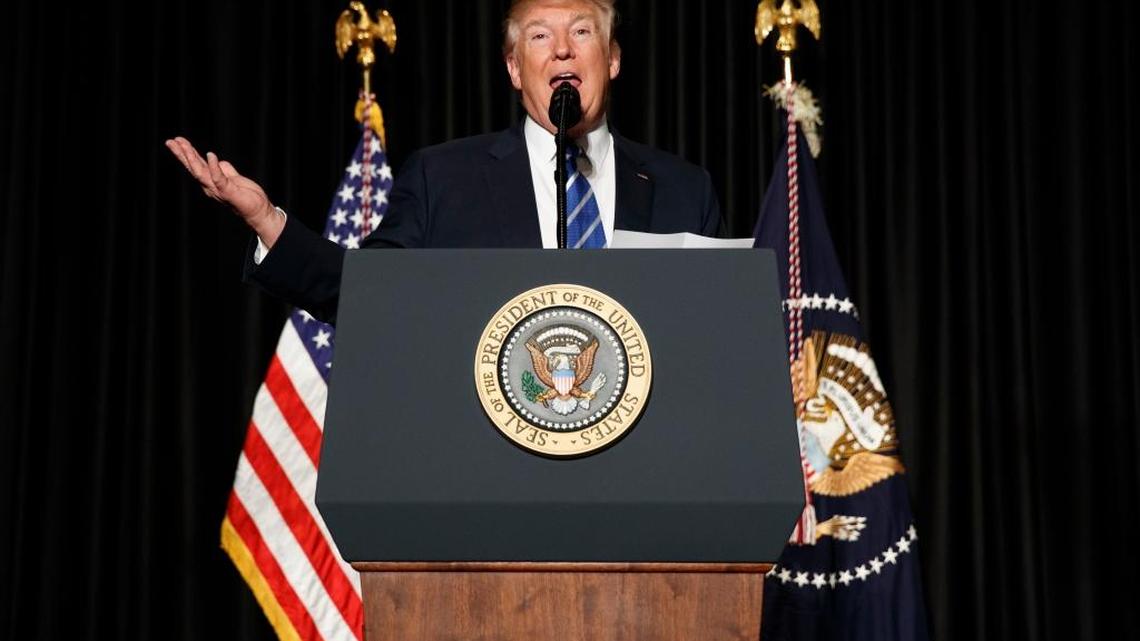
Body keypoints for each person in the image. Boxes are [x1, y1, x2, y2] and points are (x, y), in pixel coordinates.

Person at [166, 0, 722, 322]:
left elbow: (718, 334)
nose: (562, 50)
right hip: (491, 485)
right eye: (539, 36)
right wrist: (267, 220)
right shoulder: (444, 179)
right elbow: (368, 298)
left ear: (613, 59)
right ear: (512, 67)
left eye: (581, 32)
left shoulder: (683, 190)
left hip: (641, 488)